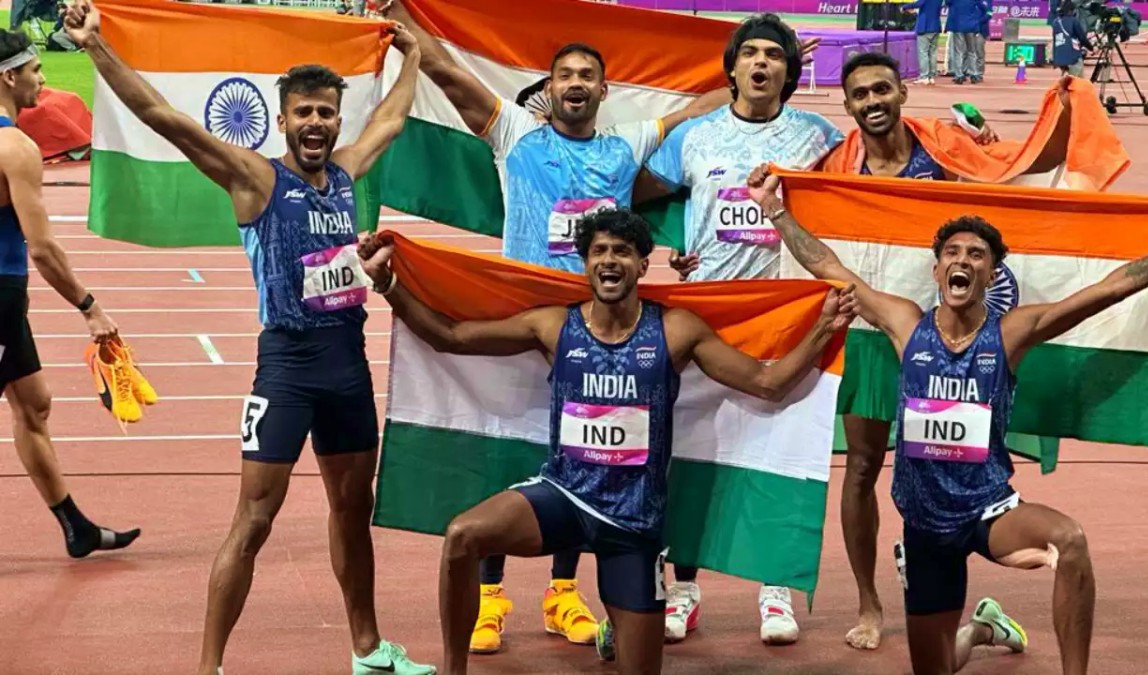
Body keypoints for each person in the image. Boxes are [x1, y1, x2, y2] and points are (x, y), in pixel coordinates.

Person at [384, 1, 807, 653]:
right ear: (549, 88)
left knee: (589, 454)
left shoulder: (627, 144)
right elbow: (451, 76)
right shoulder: (515, 133)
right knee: (513, 453)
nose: (576, 83)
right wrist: (401, 20)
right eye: (566, 75)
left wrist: (766, 69)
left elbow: (702, 114)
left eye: (587, 75)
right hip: (531, 323)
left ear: (604, 91)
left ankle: (563, 592)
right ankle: (490, 599)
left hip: (602, 329)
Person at [62, 1, 435, 673]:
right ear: (283, 119)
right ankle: (209, 666)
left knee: (354, 509)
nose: (317, 122)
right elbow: (162, 117)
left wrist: (415, 56)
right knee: (255, 519)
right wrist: (94, 46)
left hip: (347, 367)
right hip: (287, 369)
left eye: (327, 112)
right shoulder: (255, 178)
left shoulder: (346, 174)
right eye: (304, 112)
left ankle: (368, 650)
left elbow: (391, 120)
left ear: (337, 119)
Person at [357, 207, 855, 675]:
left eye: (622, 251)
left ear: (642, 265)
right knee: (463, 536)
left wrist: (823, 329)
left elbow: (767, 384)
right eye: (599, 251)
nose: (609, 260)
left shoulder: (675, 330)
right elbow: (451, 336)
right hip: (565, 495)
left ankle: (616, 626)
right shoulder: (555, 325)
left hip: (632, 523)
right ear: (586, 263)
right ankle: (455, 669)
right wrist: (388, 284)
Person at [749, 164, 1148, 674]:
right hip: (924, 524)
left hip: (988, 511)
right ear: (937, 271)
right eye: (952, 253)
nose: (962, 260)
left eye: (976, 255)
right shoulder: (906, 324)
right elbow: (829, 266)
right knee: (936, 666)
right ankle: (985, 628)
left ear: (991, 274)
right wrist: (773, 207)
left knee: (1070, 540)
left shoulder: (1010, 333)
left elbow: (1108, 290)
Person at [808, 50, 1074, 651]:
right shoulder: (836, 165)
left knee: (951, 453)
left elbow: (1020, 171)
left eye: (882, 89)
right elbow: (809, 235)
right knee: (861, 467)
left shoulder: (944, 148)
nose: (873, 102)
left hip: (943, 334)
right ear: (847, 105)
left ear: (902, 92)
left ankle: (941, 555)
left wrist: (1057, 113)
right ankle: (869, 602)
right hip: (875, 329)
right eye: (860, 94)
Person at [631, 12, 844, 645]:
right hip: (706, 315)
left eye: (773, 55)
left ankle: (774, 590)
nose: (760, 63)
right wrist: (676, 244)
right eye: (749, 53)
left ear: (789, 71)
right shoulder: (695, 137)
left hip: (785, 315)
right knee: (689, 455)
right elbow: (635, 192)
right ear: (731, 68)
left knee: (778, 454)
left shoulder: (820, 137)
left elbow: (865, 193)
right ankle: (683, 588)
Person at [0, 26, 140, 561]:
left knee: (33, 403)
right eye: (35, 69)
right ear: (9, 77)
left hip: (6, 299)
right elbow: (42, 247)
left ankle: (75, 527)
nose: (42, 79)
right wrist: (89, 307)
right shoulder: (15, 146)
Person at [1052, 1, 1093, 77]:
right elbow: (1082, 38)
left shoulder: (1055, 22)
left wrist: (1055, 60)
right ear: (1072, 10)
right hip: (1073, 57)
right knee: (1073, 80)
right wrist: (1091, 48)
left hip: (1059, 57)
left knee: (1079, 79)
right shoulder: (1074, 21)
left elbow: (1055, 41)